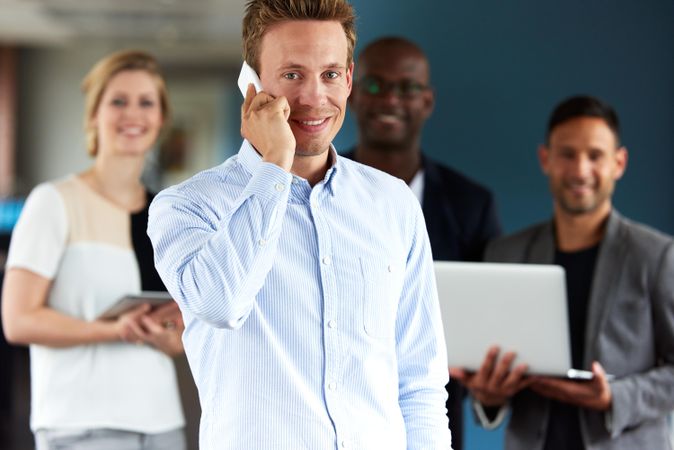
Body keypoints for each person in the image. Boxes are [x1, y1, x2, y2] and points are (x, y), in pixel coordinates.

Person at [147, 1, 452, 449]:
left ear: (348, 79)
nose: (313, 97)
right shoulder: (187, 206)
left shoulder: (394, 204)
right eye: (292, 75)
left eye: (330, 74)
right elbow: (221, 304)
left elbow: (420, 381)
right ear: (251, 85)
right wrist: (274, 164)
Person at [452, 95, 674, 449]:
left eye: (595, 155)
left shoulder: (657, 256)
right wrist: (488, 396)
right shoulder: (506, 253)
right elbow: (490, 378)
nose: (580, 169)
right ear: (546, 159)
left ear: (619, 163)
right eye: (567, 154)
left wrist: (616, 397)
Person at [1, 50, 187, 449]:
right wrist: (111, 330)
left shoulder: (166, 212)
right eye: (118, 101)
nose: (132, 113)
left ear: (160, 119)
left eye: (146, 102)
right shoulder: (53, 202)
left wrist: (172, 336)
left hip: (160, 422)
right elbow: (17, 320)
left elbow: (178, 334)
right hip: (80, 423)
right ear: (93, 115)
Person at [344, 36, 501, 450]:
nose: (391, 99)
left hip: (431, 419)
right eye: (375, 85)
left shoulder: (472, 205)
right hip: (335, 416)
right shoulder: (311, 189)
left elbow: (489, 319)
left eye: (408, 87)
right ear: (354, 95)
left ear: (427, 101)